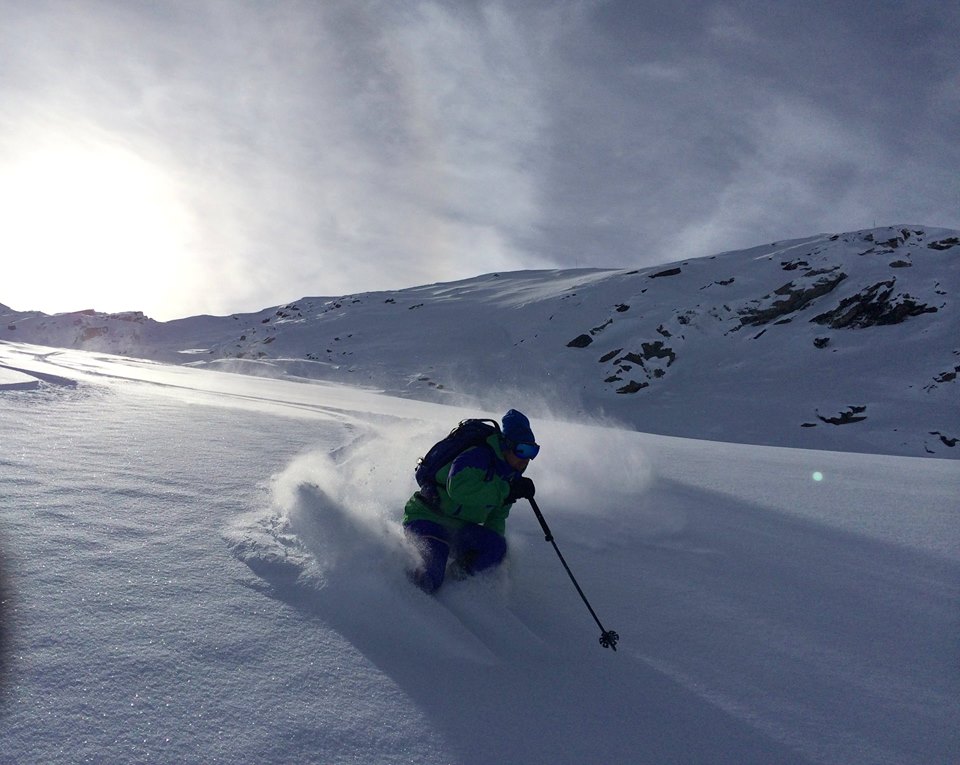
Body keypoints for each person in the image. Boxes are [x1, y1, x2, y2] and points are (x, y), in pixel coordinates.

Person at [403, 409, 539, 593]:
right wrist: (506, 492)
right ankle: (403, 590)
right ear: (506, 445)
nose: (527, 458)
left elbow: (497, 517)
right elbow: (458, 490)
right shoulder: (477, 456)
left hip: (458, 528)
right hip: (427, 518)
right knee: (431, 576)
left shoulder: (509, 476)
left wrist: (489, 549)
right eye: (522, 450)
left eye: (533, 451)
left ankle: (458, 585)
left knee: (496, 546)